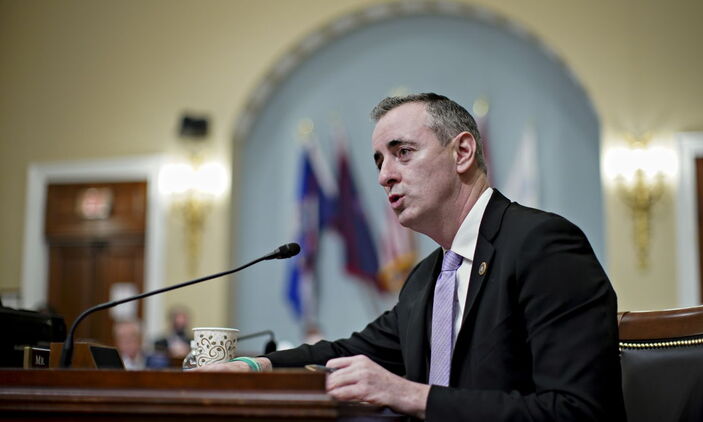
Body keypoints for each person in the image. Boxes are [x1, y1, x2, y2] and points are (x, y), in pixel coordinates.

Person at [199, 93, 626, 421]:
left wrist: (408, 394)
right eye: (379, 161)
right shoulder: (427, 278)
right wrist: (255, 366)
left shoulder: (543, 245)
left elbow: (578, 411)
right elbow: (350, 352)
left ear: (462, 153)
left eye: (403, 152)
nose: (385, 176)